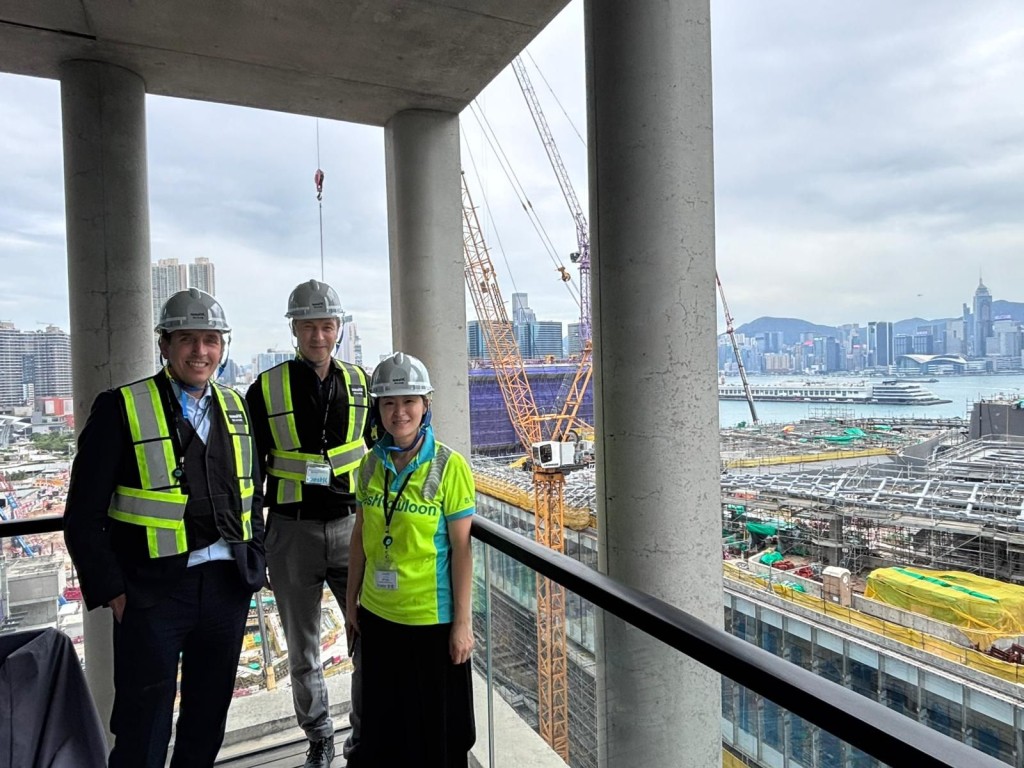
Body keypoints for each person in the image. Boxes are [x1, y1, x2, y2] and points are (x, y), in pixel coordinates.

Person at [63, 288, 266, 768]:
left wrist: (255, 557)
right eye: (187, 339)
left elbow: (252, 493)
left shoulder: (236, 407)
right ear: (164, 345)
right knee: (142, 724)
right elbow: (83, 514)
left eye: (211, 340)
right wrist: (115, 591)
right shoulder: (121, 407)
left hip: (226, 587)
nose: (200, 351)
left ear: (223, 346)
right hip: (152, 592)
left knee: (207, 719)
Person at [245, 279, 372, 768]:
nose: (319, 336)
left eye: (327, 326)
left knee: (366, 636)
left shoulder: (361, 384)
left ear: (339, 329)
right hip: (291, 528)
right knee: (302, 648)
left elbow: (384, 452)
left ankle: (364, 736)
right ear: (294, 330)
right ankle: (319, 737)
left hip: (351, 527)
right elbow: (250, 470)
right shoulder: (265, 388)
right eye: (308, 326)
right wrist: (256, 537)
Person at [346, 351, 476, 767]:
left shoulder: (449, 466)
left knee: (438, 735)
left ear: (425, 404)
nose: (399, 412)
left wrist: (462, 623)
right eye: (389, 402)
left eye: (409, 401)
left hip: (431, 621)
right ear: (378, 408)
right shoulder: (369, 465)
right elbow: (360, 538)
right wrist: (351, 603)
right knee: (388, 730)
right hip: (379, 616)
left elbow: (462, 551)